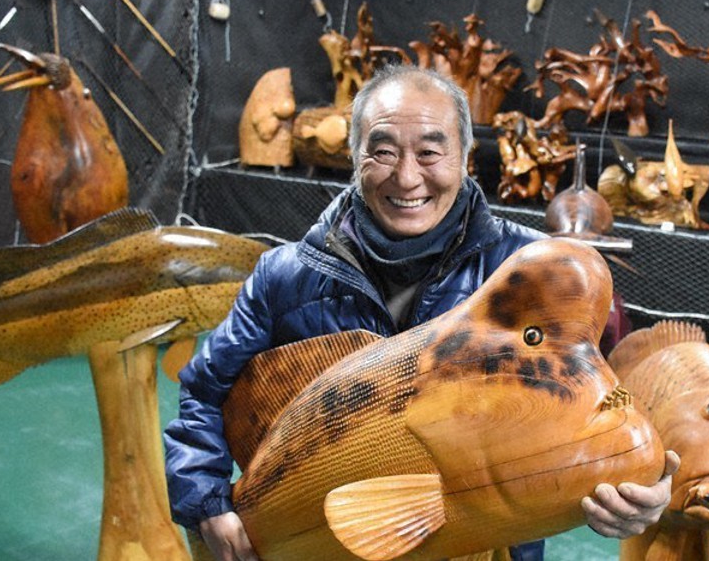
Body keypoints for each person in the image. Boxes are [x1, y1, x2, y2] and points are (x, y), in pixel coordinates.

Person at [164, 64, 680, 561]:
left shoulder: (531, 277)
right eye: (383, 152)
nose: (407, 178)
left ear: (465, 154)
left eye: (431, 152)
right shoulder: (283, 276)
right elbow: (206, 394)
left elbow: (613, 401)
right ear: (354, 156)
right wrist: (208, 502)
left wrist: (643, 488)